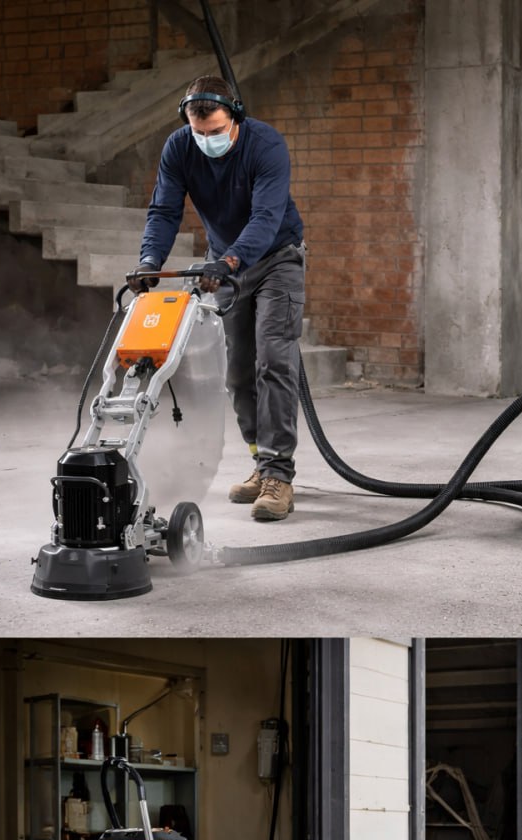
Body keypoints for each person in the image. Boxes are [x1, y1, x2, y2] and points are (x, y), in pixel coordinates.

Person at [128, 75, 305, 522]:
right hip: (223, 265)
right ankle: (260, 463)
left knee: (274, 362)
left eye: (215, 131)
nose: (206, 140)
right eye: (198, 132)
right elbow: (165, 209)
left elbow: (266, 217)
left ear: (235, 118)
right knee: (239, 372)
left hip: (275, 259)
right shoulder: (178, 147)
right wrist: (150, 259)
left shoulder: (266, 146)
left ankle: (279, 476)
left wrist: (228, 261)